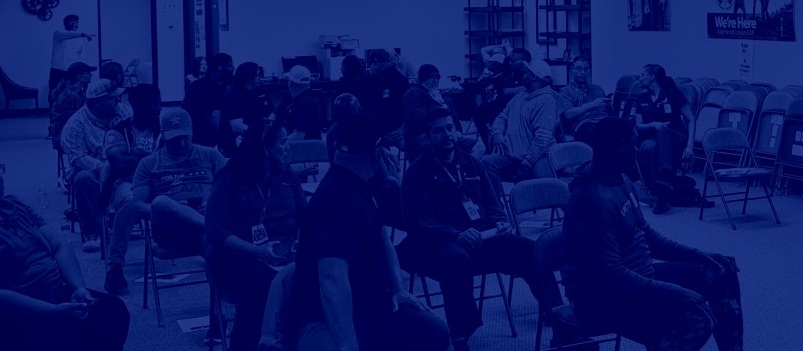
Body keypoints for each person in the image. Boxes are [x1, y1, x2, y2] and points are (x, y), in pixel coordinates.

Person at [562, 117, 744, 351]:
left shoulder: (620, 180)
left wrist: (697, 254)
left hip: (637, 277)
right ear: (621, 147)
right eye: (634, 142)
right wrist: (678, 294)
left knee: (720, 269)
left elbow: (647, 235)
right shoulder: (591, 199)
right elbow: (611, 275)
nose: (638, 149)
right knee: (696, 318)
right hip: (600, 298)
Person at [289, 113, 450, 351]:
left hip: (369, 306)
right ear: (376, 156)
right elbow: (331, 280)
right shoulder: (335, 202)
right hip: (323, 317)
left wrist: (398, 288)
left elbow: (383, 239)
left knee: (434, 334)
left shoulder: (358, 186)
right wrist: (348, 344)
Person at [400, 108, 550, 351]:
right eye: (439, 130)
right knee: (456, 260)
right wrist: (455, 234)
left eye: (450, 128)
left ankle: (556, 313)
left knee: (530, 249)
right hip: (437, 245)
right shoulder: (416, 173)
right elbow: (419, 222)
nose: (447, 134)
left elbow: (493, 205)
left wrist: (500, 222)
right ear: (428, 137)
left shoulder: (471, 163)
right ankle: (460, 336)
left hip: (481, 239)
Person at [0, 157, 131, 351]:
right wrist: (52, 311)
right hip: (25, 311)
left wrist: (78, 288)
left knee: (113, 310)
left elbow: (59, 245)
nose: (3, 175)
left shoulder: (14, 205)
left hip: (59, 294)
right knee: (70, 334)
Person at [206, 120, 306, 351]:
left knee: (322, 274)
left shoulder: (288, 177)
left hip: (285, 256)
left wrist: (300, 241)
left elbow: (307, 220)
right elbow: (216, 231)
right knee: (264, 283)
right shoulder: (230, 179)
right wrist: (257, 251)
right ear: (264, 147)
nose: (288, 148)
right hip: (237, 258)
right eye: (283, 142)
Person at [131, 108, 226, 255]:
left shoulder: (211, 155)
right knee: (160, 202)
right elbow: (138, 206)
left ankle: (212, 235)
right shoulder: (148, 163)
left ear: (192, 131)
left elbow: (229, 191)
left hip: (207, 218)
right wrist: (177, 210)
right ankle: (211, 227)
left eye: (184, 138)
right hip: (171, 229)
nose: (181, 144)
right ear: (163, 135)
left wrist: (213, 204)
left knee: (211, 241)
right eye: (174, 140)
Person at [101, 83, 161, 295]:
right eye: (151, 104)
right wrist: (154, 158)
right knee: (130, 201)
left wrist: (137, 155)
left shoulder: (163, 129)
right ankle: (115, 267)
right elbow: (121, 165)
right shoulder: (117, 132)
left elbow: (178, 158)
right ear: (135, 105)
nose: (157, 109)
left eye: (158, 103)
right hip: (126, 183)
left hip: (162, 182)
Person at [626, 64, 700, 214]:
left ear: (652, 77)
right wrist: (654, 124)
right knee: (652, 146)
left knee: (662, 130)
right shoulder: (641, 98)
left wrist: (690, 146)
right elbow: (639, 126)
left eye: (643, 75)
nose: (639, 78)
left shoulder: (673, 94)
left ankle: (664, 176)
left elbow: (691, 119)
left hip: (676, 138)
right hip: (651, 139)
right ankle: (662, 196)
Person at [60, 78, 124, 251]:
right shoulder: (75, 125)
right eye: (113, 98)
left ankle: (125, 221)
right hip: (93, 170)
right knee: (83, 178)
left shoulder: (121, 112)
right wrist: (108, 168)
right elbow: (79, 159)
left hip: (123, 163)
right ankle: (93, 232)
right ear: (97, 102)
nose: (118, 101)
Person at [481, 59, 558, 189]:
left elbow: (542, 139)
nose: (523, 75)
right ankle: (495, 201)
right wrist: (497, 134)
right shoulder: (520, 96)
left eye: (526, 73)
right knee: (486, 162)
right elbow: (501, 117)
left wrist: (526, 165)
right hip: (512, 156)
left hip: (536, 158)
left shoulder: (546, 101)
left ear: (533, 77)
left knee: (546, 189)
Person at [403, 63, 482, 161]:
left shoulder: (437, 94)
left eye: (437, 77)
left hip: (446, 135)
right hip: (428, 138)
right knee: (475, 148)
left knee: (479, 147)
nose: (436, 80)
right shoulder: (415, 92)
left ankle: (460, 169)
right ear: (423, 78)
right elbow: (418, 120)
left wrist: (457, 131)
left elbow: (452, 115)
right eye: (432, 77)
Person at [219, 61, 274, 157]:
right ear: (248, 78)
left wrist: (272, 128)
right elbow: (236, 126)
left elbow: (272, 112)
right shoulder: (232, 96)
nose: (260, 77)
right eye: (257, 75)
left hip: (263, 133)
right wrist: (259, 134)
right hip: (239, 137)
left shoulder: (260, 91)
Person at [556, 54, 611, 145]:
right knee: (597, 132)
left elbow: (609, 112)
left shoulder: (598, 89)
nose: (582, 72)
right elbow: (568, 115)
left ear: (589, 71)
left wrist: (609, 105)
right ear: (572, 70)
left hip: (604, 120)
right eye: (579, 69)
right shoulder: (566, 91)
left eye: (586, 69)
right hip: (583, 123)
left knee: (625, 127)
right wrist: (593, 104)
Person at [182, 52, 234, 147]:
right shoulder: (196, 87)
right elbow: (187, 110)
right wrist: (209, 113)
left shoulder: (232, 86)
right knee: (212, 121)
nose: (233, 69)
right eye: (230, 66)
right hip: (204, 134)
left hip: (231, 131)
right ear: (219, 68)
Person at [50, 62, 95, 150]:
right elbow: (72, 122)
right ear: (79, 76)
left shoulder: (76, 91)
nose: (91, 75)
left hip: (65, 134)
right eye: (88, 73)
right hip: (64, 137)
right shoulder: (71, 97)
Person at [49, 14, 93, 103]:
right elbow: (68, 35)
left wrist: (83, 72)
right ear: (65, 23)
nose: (74, 24)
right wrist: (82, 34)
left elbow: (81, 57)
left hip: (73, 73)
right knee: (55, 96)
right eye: (72, 21)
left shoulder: (80, 39)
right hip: (58, 71)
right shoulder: (58, 33)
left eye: (76, 22)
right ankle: (53, 112)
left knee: (73, 96)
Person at [276, 65, 323, 142]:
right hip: (307, 144)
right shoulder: (297, 98)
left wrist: (280, 143)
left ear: (291, 83)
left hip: (305, 147)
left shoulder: (304, 103)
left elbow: (299, 135)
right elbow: (277, 113)